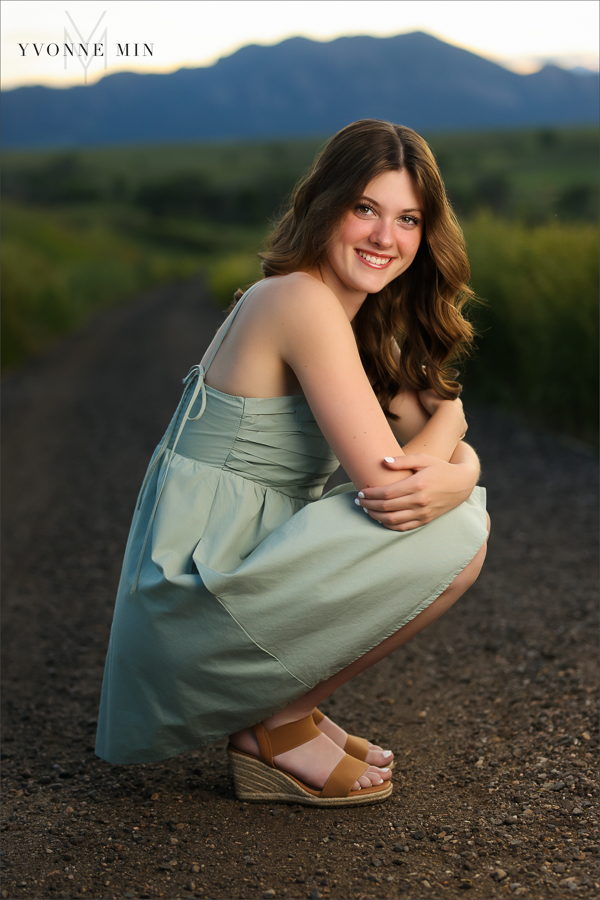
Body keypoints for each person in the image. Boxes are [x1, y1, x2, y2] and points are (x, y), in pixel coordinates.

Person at [96, 119, 489, 807]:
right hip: (195, 600)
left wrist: (460, 463)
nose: (384, 238)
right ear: (326, 203)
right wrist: (458, 449)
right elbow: (398, 487)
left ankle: (288, 711)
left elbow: (423, 450)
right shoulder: (298, 300)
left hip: (219, 587)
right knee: (456, 535)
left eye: (407, 219)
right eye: (364, 208)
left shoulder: (345, 316)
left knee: (456, 511)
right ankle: (274, 726)